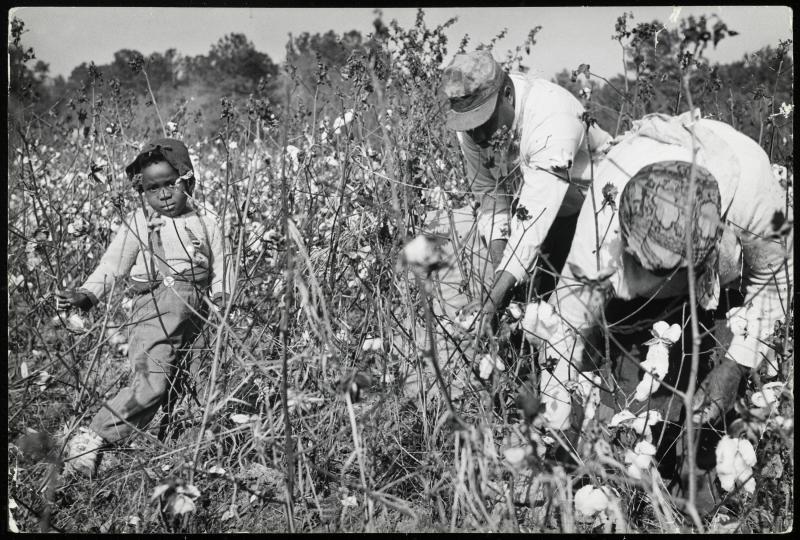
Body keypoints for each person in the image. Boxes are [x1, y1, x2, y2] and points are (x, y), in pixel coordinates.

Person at [535, 111, 792, 501]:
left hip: (719, 285)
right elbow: (563, 332)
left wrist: (736, 366)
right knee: (618, 409)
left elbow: (773, 282)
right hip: (632, 302)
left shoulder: (751, 191)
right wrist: (562, 428)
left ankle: (700, 489)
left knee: (715, 426)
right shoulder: (600, 225)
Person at [56, 138, 233, 477]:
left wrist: (223, 297)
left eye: (171, 183)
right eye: (153, 188)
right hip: (154, 310)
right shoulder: (140, 221)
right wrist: (88, 294)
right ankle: (90, 439)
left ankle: (187, 447)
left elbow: (222, 264)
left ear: (189, 180)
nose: (164, 194)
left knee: (194, 383)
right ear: (142, 190)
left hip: (198, 315)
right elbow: (113, 263)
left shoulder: (208, 219)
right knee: (152, 382)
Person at [438, 50, 612, 330]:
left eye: (484, 122)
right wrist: (500, 280)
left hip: (598, 212)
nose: (478, 136)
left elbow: (534, 220)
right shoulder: (471, 127)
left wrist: (494, 298)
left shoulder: (551, 118)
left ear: (507, 94)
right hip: (547, 215)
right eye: (470, 126)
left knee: (579, 322)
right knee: (525, 311)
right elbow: (490, 198)